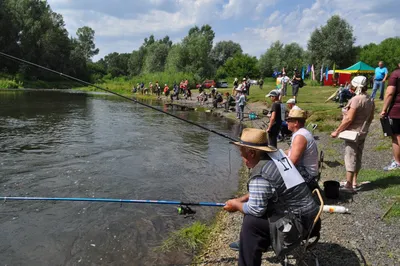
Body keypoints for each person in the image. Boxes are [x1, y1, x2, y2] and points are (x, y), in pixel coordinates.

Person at [224, 128, 319, 266]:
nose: (241, 156)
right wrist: (241, 200)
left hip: (301, 226)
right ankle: (255, 244)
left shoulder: (260, 174)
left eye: (242, 153)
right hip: (312, 217)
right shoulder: (278, 159)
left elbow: (256, 209)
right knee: (253, 212)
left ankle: (249, 254)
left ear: (251, 153)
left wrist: (235, 204)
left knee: (251, 223)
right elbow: (266, 190)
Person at [331, 76, 375, 192]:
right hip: (363, 132)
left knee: (350, 157)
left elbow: (349, 119)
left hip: (352, 132)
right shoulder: (370, 99)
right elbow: (371, 117)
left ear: (355, 86)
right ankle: (354, 181)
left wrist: (337, 131)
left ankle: (349, 185)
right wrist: (364, 128)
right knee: (358, 156)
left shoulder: (356, 100)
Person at [286, 109, 319, 190]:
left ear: (296, 123)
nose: (287, 122)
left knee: (274, 172)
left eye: (289, 120)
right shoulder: (302, 132)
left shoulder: (300, 137)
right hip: (309, 173)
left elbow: (292, 162)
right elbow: (291, 151)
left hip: (307, 176)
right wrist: (276, 153)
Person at [380, 62, 400, 171]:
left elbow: (389, 93)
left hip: (397, 110)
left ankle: (397, 162)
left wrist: (384, 110)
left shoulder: (395, 74)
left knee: (396, 136)